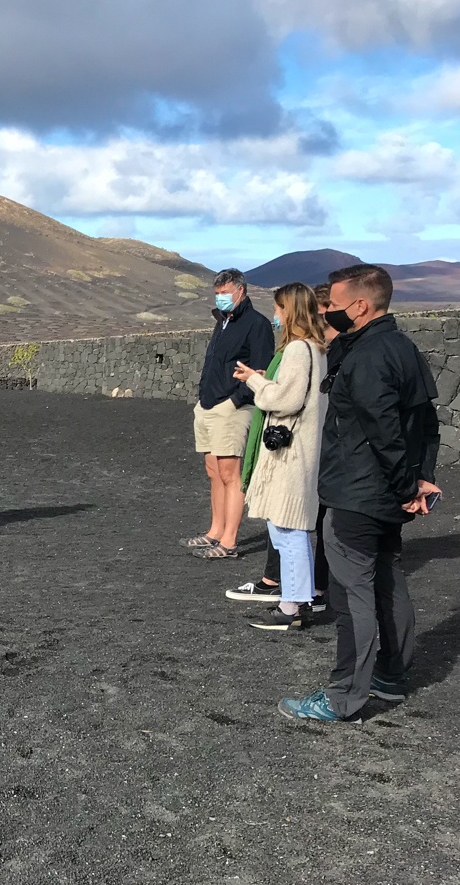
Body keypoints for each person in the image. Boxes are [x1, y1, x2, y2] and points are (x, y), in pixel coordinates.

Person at [279, 264, 441, 722]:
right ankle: (390, 677)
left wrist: (408, 482)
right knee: (389, 582)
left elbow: (382, 430)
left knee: (352, 595)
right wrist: (418, 479)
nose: (326, 310)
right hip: (387, 492)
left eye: (331, 303)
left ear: (360, 306)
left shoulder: (369, 354)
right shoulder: (403, 347)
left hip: (359, 493)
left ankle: (343, 695)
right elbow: (425, 421)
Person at [228, 280, 336, 607]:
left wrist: (255, 380)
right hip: (302, 452)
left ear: (289, 310)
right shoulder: (316, 349)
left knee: (288, 531)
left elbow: (285, 400)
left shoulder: (297, 350)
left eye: (278, 308)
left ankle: (293, 604)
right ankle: (295, 600)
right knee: (289, 530)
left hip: (290, 457)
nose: (275, 314)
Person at [183, 268, 275, 560]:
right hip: (208, 404)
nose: (220, 298)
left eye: (225, 293)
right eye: (217, 293)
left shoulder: (256, 324)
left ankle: (230, 540)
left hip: (231, 407)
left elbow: (261, 369)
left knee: (229, 473)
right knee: (213, 472)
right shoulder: (222, 321)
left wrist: (236, 400)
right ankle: (215, 531)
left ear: (240, 291)